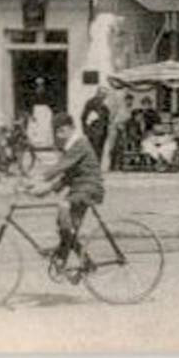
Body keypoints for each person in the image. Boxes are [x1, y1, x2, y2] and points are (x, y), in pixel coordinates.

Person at [28, 111, 105, 267]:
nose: (60, 135)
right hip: (79, 188)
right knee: (66, 226)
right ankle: (84, 262)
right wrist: (49, 189)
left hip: (89, 188)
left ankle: (61, 255)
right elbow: (68, 177)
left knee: (64, 207)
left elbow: (61, 167)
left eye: (62, 131)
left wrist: (40, 179)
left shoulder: (80, 143)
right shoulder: (72, 146)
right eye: (57, 132)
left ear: (71, 128)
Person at [81, 86, 111, 168]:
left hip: (103, 131)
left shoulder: (104, 105)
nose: (104, 96)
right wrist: (86, 130)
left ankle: (96, 167)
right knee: (94, 151)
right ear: (98, 93)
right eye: (103, 94)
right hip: (94, 131)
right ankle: (92, 168)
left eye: (105, 94)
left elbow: (106, 117)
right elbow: (84, 117)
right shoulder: (91, 103)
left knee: (99, 150)